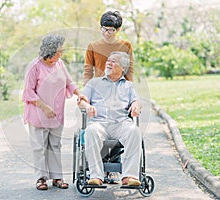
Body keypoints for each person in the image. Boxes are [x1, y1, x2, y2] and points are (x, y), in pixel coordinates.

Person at [22, 34, 88, 190]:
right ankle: (41, 178)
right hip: (38, 113)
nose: (61, 54)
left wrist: (79, 93)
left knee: (55, 145)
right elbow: (28, 92)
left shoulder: (59, 64)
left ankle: (57, 177)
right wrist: (44, 107)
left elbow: (69, 81)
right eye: (59, 51)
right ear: (50, 52)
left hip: (57, 113)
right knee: (40, 146)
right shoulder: (35, 66)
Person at [78, 51, 142, 186]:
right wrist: (87, 106)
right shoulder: (94, 83)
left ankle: (129, 176)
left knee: (135, 131)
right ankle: (96, 176)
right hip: (99, 123)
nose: (108, 63)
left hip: (121, 124)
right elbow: (81, 101)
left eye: (113, 61)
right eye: (108, 60)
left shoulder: (129, 86)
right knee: (91, 131)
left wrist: (136, 105)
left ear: (123, 68)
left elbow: (136, 101)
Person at [83, 10, 134, 85]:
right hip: (100, 88)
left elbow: (129, 70)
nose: (106, 33)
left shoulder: (126, 46)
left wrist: (130, 88)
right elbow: (88, 71)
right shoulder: (93, 46)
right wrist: (85, 91)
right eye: (104, 29)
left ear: (118, 30)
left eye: (110, 30)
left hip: (119, 88)